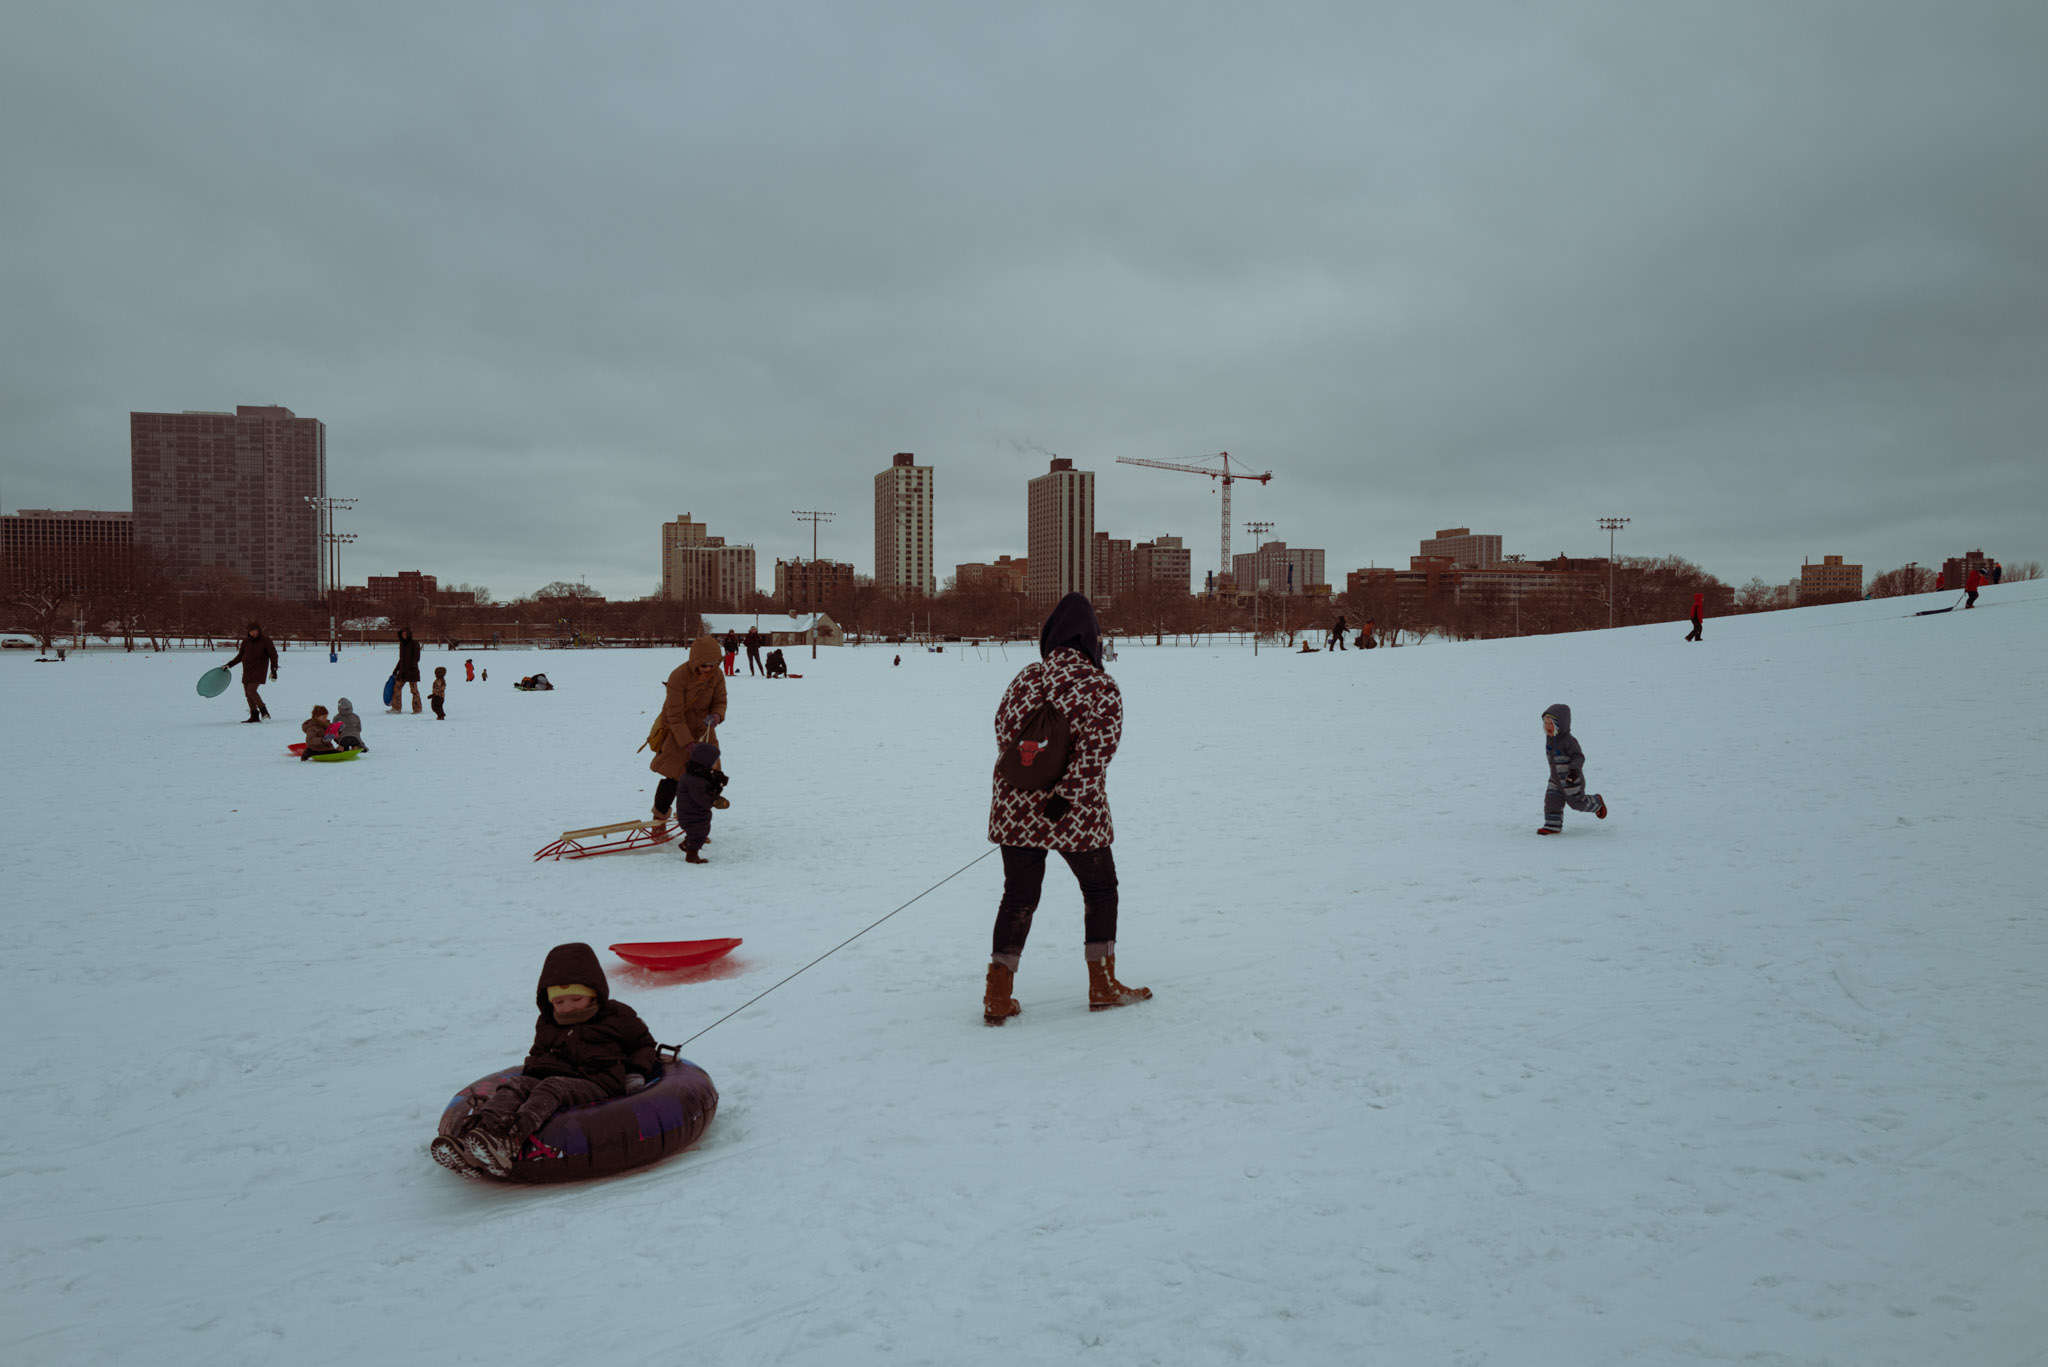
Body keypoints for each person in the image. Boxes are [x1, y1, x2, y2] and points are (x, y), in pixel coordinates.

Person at [983, 593, 1149, 1026]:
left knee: (1018, 897)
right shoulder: (1101, 686)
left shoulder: (1025, 678)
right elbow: (1095, 755)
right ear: (1092, 640)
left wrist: (1032, 788)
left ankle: (998, 993)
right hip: (1075, 814)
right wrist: (1062, 798)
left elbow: (1005, 734)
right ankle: (1102, 984)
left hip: (1015, 807)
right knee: (1100, 890)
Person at [460, 942, 662, 1173]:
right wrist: (528, 1081)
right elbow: (537, 1053)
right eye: (559, 1002)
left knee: (552, 1087)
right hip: (553, 1077)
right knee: (516, 1085)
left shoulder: (617, 1016)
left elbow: (644, 1045)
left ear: (594, 992)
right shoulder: (548, 1022)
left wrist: (635, 1073)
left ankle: (513, 1139)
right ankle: (482, 1134)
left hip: (598, 1081)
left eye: (576, 999)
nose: (568, 1007)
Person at [649, 636, 728, 829]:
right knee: (674, 778)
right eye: (705, 665)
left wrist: (717, 715)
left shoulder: (717, 675)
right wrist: (688, 744)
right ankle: (659, 820)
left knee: (706, 778)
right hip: (678, 732)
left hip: (704, 730)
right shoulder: (678, 677)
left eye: (713, 665)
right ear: (695, 662)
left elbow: (720, 699)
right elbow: (674, 715)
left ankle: (696, 823)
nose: (709, 669)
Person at [1539, 703, 1607, 835]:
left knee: (1577, 803)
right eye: (1545, 723)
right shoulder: (1550, 740)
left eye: (1551, 723)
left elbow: (1579, 757)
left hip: (1571, 778)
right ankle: (1552, 826)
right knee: (1552, 800)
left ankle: (1597, 802)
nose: (1548, 726)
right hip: (1555, 779)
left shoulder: (1569, 741)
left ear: (1561, 724)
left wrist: (1574, 770)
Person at [665, 741, 728, 864]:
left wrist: (718, 783)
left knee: (703, 831)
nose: (716, 764)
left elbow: (707, 789)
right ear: (705, 762)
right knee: (698, 835)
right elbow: (702, 798)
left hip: (697, 813)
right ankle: (691, 855)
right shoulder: (694, 780)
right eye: (714, 762)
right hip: (690, 814)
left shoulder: (699, 775)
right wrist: (714, 800)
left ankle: (686, 844)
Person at [225, 621, 279, 723]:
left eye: (255, 631)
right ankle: (254, 715)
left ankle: (264, 712)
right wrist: (229, 664)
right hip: (247, 669)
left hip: (259, 669)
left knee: (251, 690)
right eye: (251, 632)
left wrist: (274, 669)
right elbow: (240, 656)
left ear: (259, 630)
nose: (253, 633)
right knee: (247, 693)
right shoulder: (246, 641)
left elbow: (273, 655)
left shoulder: (266, 640)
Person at [390, 627, 423, 714]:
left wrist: (412, 666)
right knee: (397, 688)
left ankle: (417, 709)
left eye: (405, 634)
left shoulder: (414, 643)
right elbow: (401, 659)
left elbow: (416, 657)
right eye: (402, 634)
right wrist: (396, 669)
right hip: (402, 672)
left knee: (414, 690)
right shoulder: (402, 644)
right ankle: (396, 708)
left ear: (409, 634)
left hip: (412, 671)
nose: (404, 635)